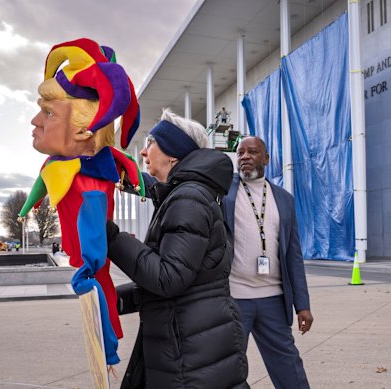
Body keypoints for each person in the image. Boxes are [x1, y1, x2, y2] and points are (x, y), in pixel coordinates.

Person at [18, 38, 144, 365]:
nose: (36, 121)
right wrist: (26, 206)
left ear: (82, 132)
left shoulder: (91, 179)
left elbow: (93, 220)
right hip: (86, 259)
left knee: (96, 282)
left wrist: (89, 262)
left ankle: (108, 349)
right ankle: (107, 346)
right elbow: (41, 185)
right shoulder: (59, 167)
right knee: (94, 282)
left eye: (48, 113)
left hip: (90, 261)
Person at [105, 108, 249, 388]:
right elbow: (189, 282)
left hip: (190, 356)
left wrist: (110, 237)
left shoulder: (188, 198)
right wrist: (115, 299)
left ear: (173, 153)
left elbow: (168, 277)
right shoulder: (185, 195)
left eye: (150, 142)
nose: (144, 153)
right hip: (190, 344)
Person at [222, 136, 313, 389]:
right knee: (227, 368)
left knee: (289, 366)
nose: (245, 157)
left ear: (266, 158)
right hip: (234, 298)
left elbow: (293, 255)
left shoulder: (284, 199)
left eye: (252, 152)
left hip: (273, 298)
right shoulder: (223, 192)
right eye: (240, 152)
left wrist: (302, 305)